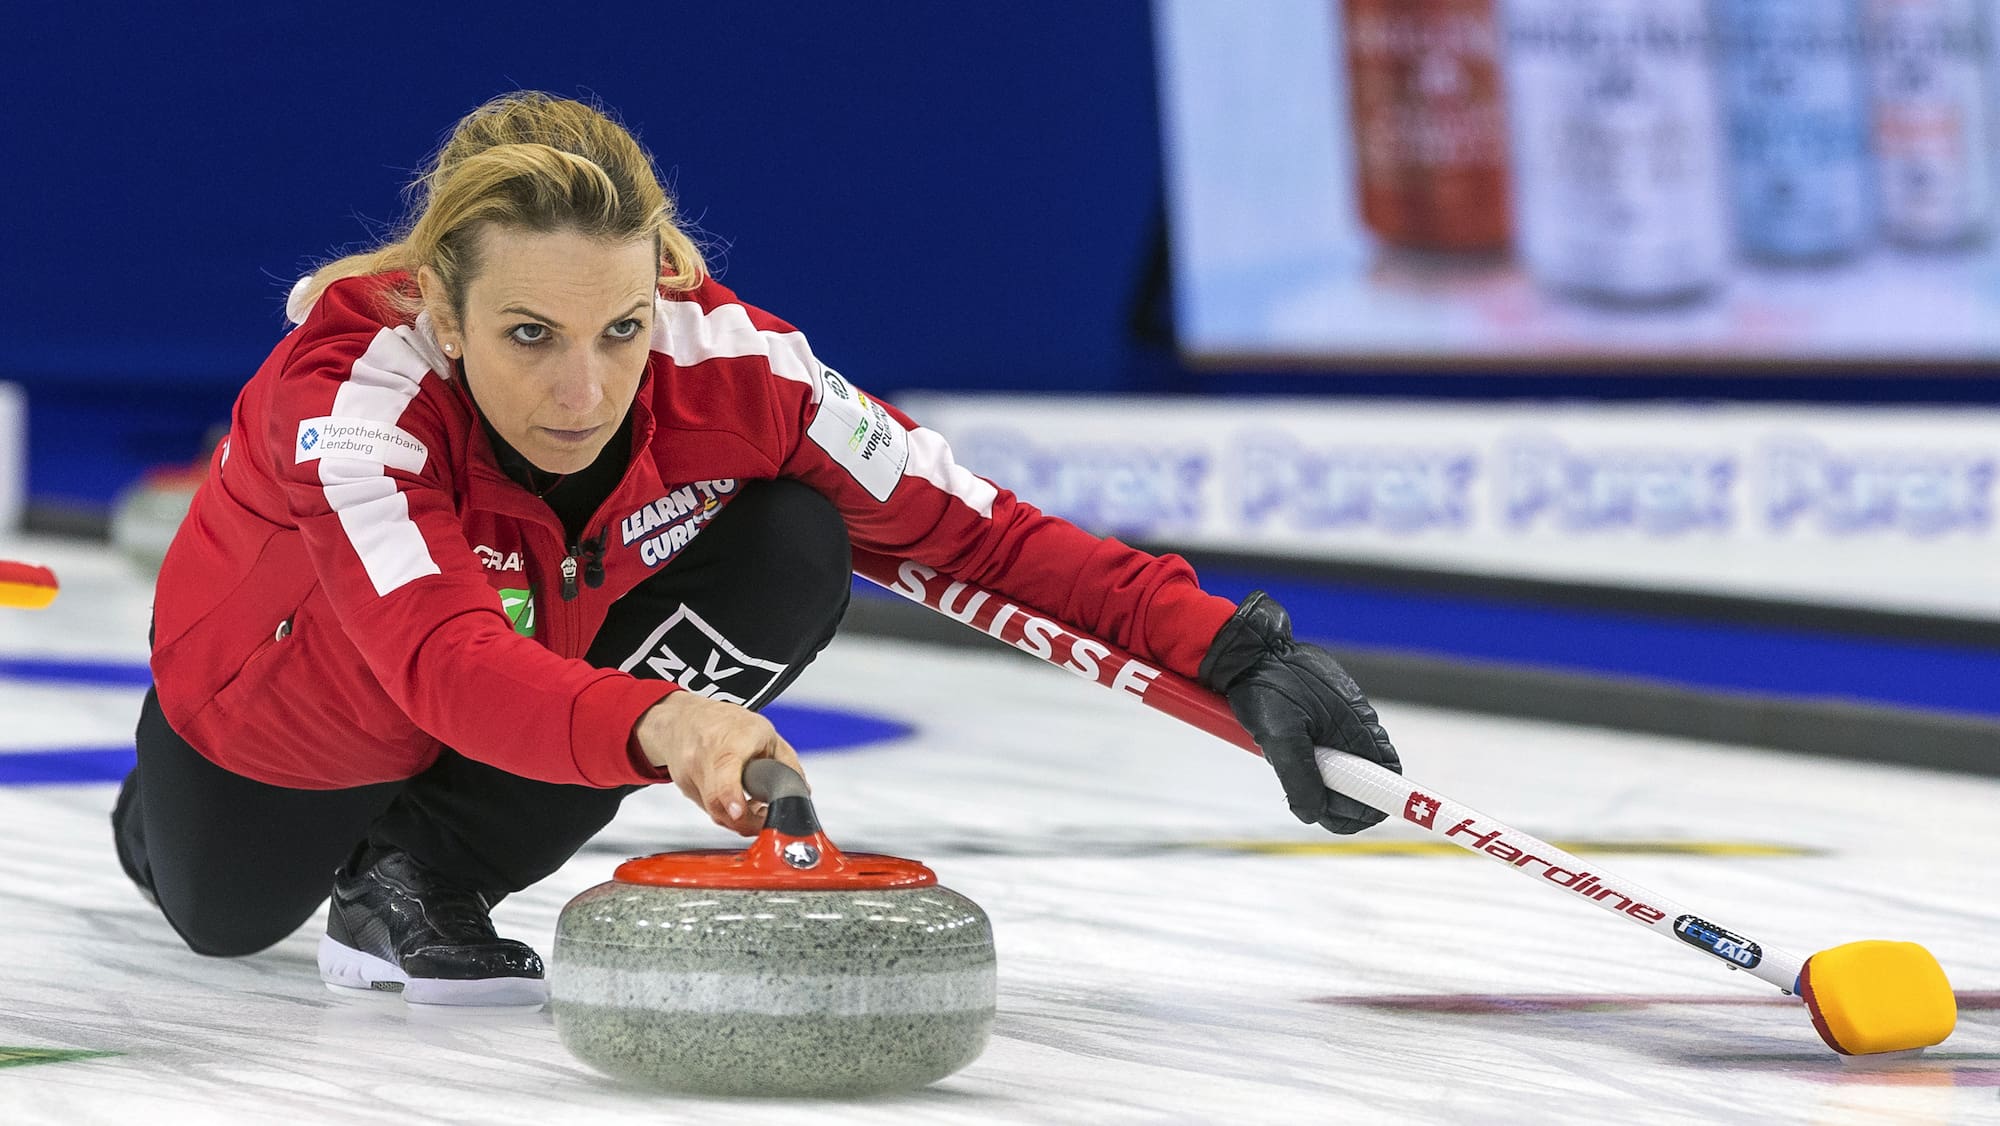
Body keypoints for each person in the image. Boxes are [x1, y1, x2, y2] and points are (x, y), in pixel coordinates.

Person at [113, 92, 1401, 1007]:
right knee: (224, 923)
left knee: (794, 536)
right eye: (527, 336)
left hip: (553, 676)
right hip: (290, 712)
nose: (584, 388)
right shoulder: (350, 406)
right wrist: (669, 727)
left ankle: (422, 872)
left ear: (666, 280)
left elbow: (976, 534)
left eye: (620, 328)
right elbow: (441, 658)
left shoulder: (737, 367)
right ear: (442, 311)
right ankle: (162, 813)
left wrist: (1230, 650)